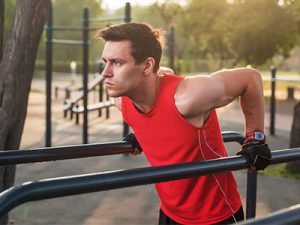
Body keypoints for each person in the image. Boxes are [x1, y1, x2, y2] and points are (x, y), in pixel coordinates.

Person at [96, 23, 271, 225]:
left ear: (147, 66)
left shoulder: (188, 97)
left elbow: (250, 78)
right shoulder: (121, 100)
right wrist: (145, 133)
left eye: (117, 63)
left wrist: (255, 138)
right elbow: (159, 87)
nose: (105, 72)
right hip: (170, 212)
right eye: (105, 62)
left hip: (216, 214)